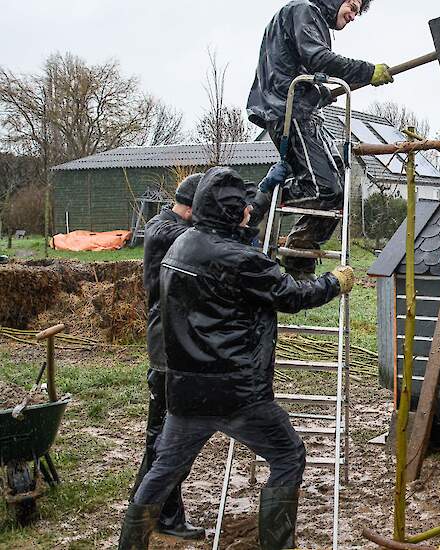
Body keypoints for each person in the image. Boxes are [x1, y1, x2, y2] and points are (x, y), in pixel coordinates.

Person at [119, 167, 355, 550]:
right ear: (232, 213)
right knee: (288, 455)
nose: (249, 209)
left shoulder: (182, 244)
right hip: (236, 391)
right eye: (244, 206)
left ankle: (129, 545)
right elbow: (292, 296)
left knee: (162, 470)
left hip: (185, 390)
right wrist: (334, 282)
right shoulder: (242, 259)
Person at [247, 0, 393, 280]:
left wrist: (320, 93)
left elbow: (296, 66)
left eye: (357, 11)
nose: (352, 15)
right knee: (325, 189)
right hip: (289, 110)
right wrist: (367, 70)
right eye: (351, 5)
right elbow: (317, 58)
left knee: (338, 190)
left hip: (302, 109)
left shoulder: (306, 18)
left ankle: (300, 255)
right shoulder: (304, 10)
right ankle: (257, 202)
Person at [128, 173, 204, 541]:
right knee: (162, 440)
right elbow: (208, 240)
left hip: (175, 343)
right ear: (191, 207)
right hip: (166, 348)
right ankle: (148, 514)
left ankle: (163, 515)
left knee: (165, 440)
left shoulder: (177, 226)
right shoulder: (164, 231)